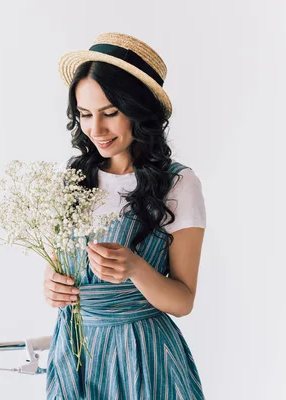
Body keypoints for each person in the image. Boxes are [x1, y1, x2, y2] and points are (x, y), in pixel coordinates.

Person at [43, 32, 207, 399]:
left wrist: (136, 268)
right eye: (85, 114)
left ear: (138, 110)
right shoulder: (72, 179)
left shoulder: (178, 184)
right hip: (76, 353)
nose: (95, 129)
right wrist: (52, 285)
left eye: (110, 113)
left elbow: (183, 301)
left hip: (143, 359)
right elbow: (61, 269)